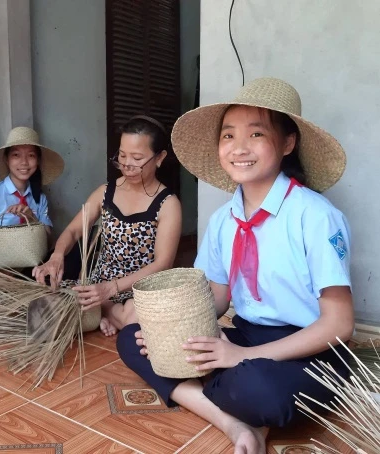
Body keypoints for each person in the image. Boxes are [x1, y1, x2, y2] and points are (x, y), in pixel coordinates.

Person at [117, 78, 353, 454]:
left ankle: (230, 392)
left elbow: (339, 324)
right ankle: (234, 424)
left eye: (256, 133)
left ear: (288, 143)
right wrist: (169, 331)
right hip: (246, 335)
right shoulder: (224, 220)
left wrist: (240, 357)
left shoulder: (316, 216)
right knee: (133, 339)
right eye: (228, 136)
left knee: (259, 387)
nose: (239, 148)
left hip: (311, 350)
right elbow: (219, 298)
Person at [33, 116, 182, 336]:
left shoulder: (168, 204)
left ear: (159, 158)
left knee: (137, 319)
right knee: (41, 288)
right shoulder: (105, 192)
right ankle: (103, 312)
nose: (127, 165)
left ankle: (100, 312)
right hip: (98, 283)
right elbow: (75, 230)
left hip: (138, 289)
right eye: (122, 156)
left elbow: (162, 264)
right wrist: (56, 256)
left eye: (137, 158)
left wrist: (112, 289)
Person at [0, 127, 64, 263]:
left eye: (31, 155)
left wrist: (32, 219)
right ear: (6, 159)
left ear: (38, 161)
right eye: (16, 155)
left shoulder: (40, 198)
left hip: (33, 272)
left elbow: (48, 243)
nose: (24, 162)